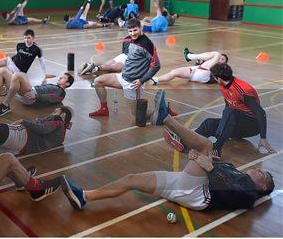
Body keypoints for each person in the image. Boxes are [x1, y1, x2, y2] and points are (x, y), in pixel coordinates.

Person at [61, 105, 275, 212]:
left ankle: (165, 119)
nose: (257, 170)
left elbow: (229, 191)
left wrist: (209, 167)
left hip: (199, 196)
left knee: (206, 145)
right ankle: (85, 196)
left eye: (261, 173)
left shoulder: (249, 193)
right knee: (131, 178)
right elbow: (215, 168)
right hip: (186, 183)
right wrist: (205, 163)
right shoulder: (236, 171)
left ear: (263, 185)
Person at [193, 63, 275, 159]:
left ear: (218, 78)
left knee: (231, 112)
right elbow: (228, 105)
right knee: (209, 123)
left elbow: (261, 113)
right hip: (236, 122)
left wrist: (263, 138)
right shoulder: (224, 86)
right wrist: (223, 128)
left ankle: (216, 149)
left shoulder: (242, 90)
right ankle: (189, 140)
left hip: (252, 125)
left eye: (214, 77)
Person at [89, 19, 160, 117]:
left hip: (133, 83)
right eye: (130, 31)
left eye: (135, 30)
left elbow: (156, 65)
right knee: (98, 81)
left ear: (141, 28)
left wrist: (141, 80)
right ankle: (104, 109)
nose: (133, 33)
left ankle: (163, 112)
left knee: (136, 114)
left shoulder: (147, 44)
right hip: (122, 76)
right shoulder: (131, 40)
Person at [0, 106, 73, 156]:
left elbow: (43, 129)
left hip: (22, 135)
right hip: (21, 146)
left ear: (63, 115)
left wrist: (23, 121)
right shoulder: (60, 135)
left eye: (57, 110)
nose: (54, 110)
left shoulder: (58, 120)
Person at [0, 69, 74, 117]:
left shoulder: (61, 92)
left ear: (68, 83)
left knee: (19, 75)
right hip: (28, 92)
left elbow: (51, 98)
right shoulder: (54, 86)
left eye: (64, 78)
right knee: (2, 71)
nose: (60, 77)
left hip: (32, 97)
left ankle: (5, 105)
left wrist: (36, 96)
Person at [150, 49, 228, 85]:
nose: (220, 59)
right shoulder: (209, 62)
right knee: (174, 72)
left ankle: (189, 56)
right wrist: (198, 63)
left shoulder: (221, 68)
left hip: (204, 77)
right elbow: (200, 66)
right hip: (196, 73)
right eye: (220, 57)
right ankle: (155, 80)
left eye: (223, 59)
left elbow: (220, 79)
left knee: (217, 53)